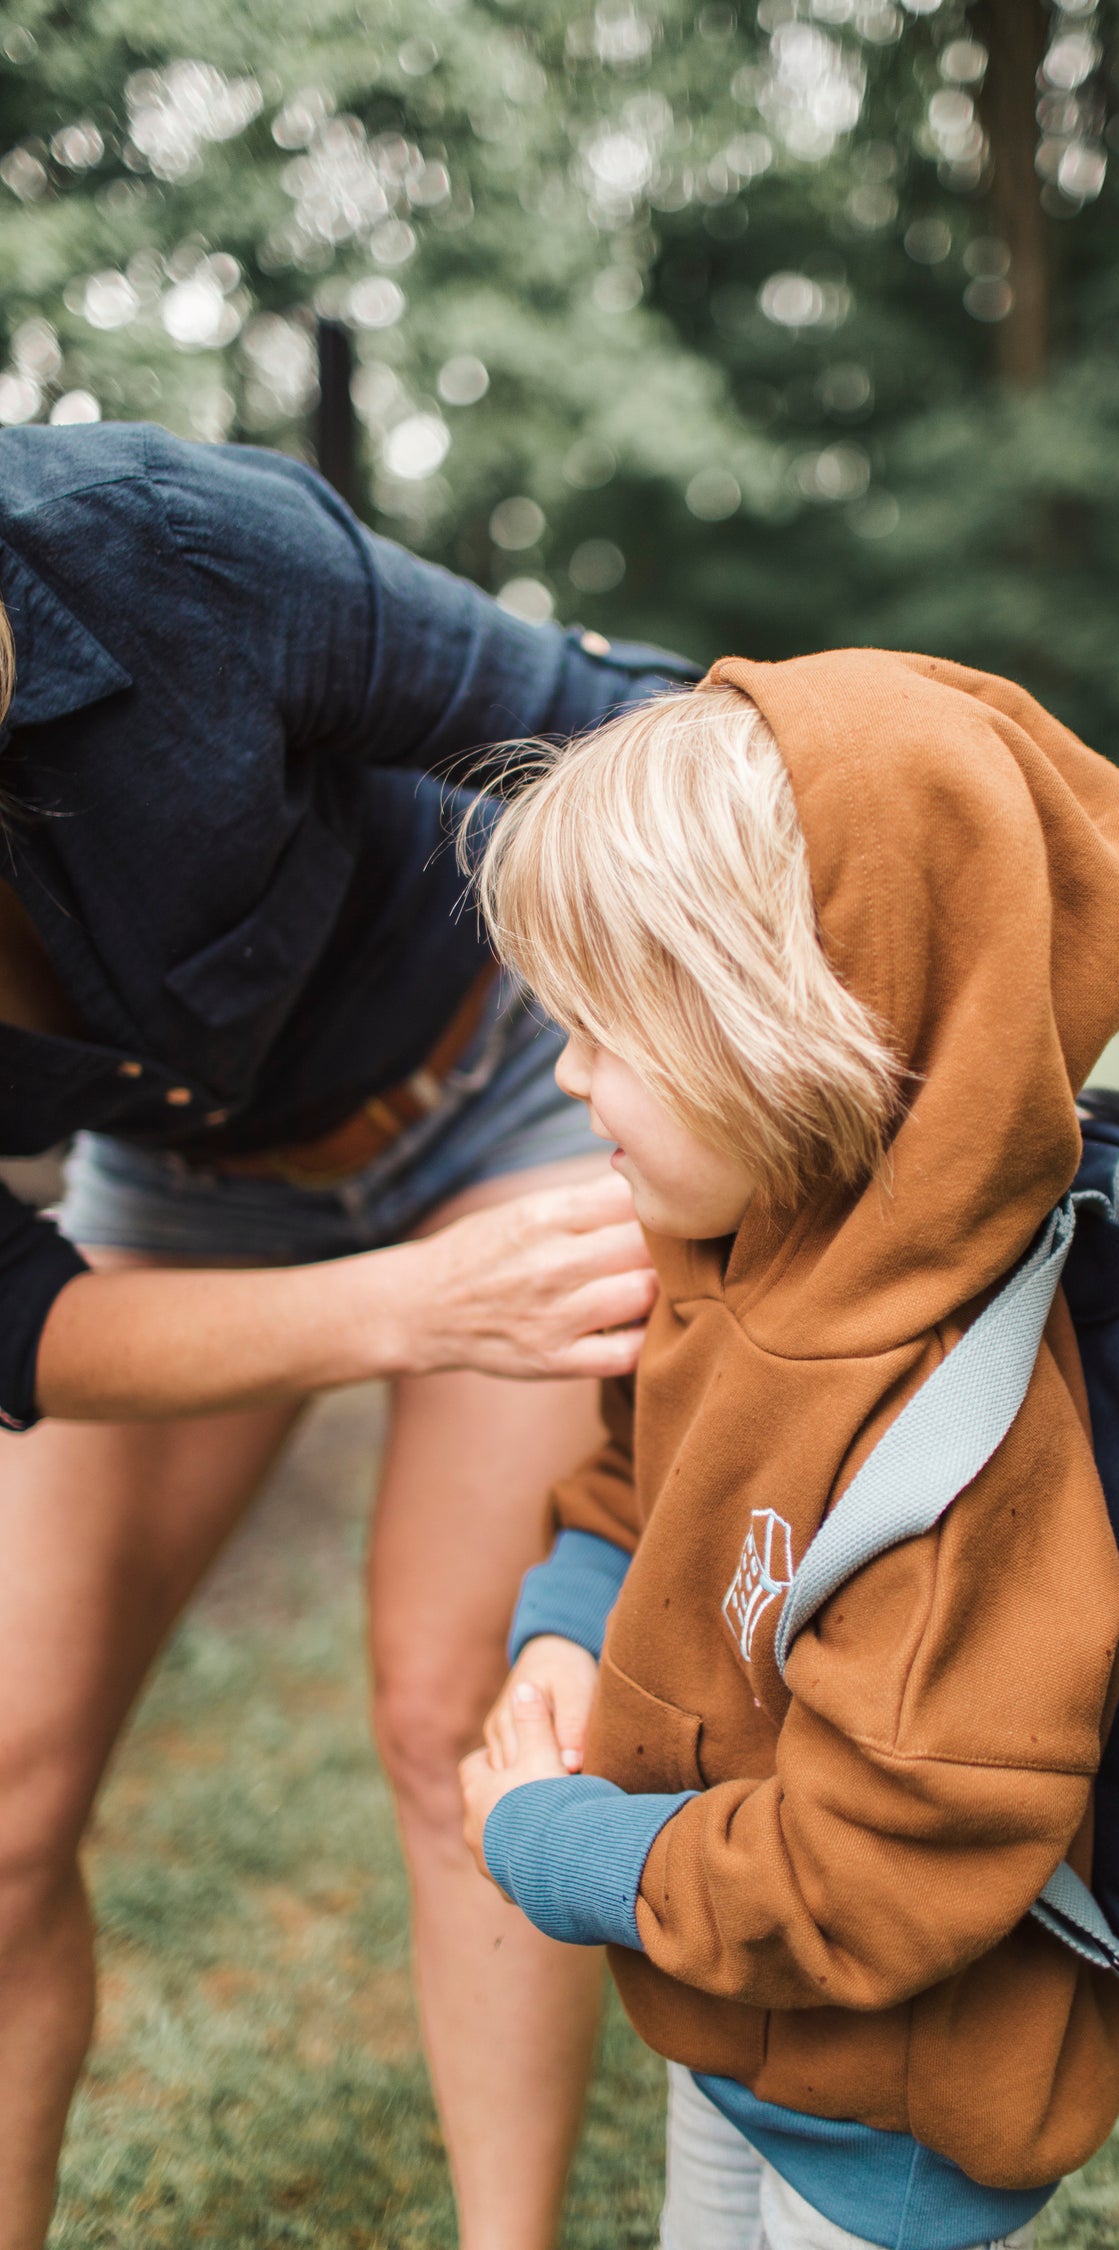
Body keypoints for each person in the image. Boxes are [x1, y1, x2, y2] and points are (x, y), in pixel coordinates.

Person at [0, 420, 696, 2250]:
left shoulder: (159, 551)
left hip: (507, 1078)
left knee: (451, 1708)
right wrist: (396, 1307)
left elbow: (603, 712)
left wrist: (994, 887)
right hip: (183, 1186)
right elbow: (13, 1312)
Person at [458, 656, 1119, 2250]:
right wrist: (569, 1631)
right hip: (734, 2019)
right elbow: (630, 1491)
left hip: (900, 2120)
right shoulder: (733, 1257)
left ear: (812, 1023)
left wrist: (559, 1843)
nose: (570, 1076)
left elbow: (883, 1875)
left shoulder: (958, 1456)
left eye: (614, 1032)